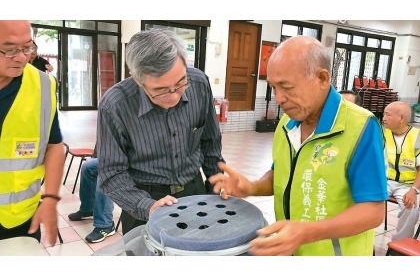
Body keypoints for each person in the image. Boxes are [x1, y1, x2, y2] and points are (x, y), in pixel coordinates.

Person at [209, 35, 388, 256]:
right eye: (274, 88)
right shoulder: (287, 122)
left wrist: (306, 232)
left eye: (287, 87)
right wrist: (252, 187)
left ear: (322, 78)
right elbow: (283, 174)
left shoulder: (360, 127)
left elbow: (373, 212)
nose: (279, 98)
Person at [97, 29, 225, 235]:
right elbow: (111, 173)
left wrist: (215, 190)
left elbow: (211, 144)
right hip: (145, 200)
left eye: (180, 83)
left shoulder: (199, 84)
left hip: (195, 193)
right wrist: (146, 206)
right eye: (161, 90)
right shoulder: (115, 105)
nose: (174, 96)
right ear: (138, 80)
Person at [0, 20, 64, 246]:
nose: (21, 57)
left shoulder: (42, 85)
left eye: (27, 47)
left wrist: (50, 198)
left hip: (21, 218)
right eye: (9, 50)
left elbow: (54, 144)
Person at [383, 101, 420, 240]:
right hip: (384, 181)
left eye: (388, 114)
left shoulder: (418, 136)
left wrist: (413, 191)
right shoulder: (382, 134)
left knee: (411, 207)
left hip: (408, 185)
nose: (384, 118)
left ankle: (399, 246)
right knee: (365, 198)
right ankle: (362, 239)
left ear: (401, 118)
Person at [67, 145, 115, 243]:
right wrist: (96, 154)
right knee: (88, 166)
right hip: (111, 157)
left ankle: (106, 225)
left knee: (105, 173)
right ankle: (89, 209)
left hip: (129, 160)